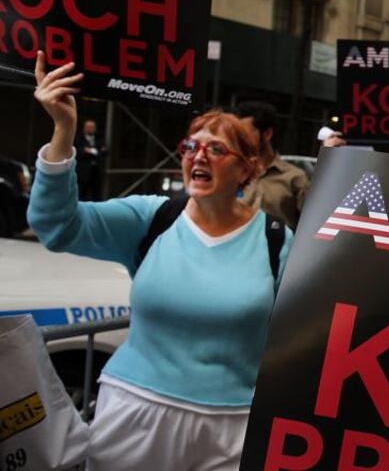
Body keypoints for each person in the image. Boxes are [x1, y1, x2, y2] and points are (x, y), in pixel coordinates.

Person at [27, 52, 293, 470]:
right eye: (191, 146)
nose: (198, 156)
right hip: (135, 413)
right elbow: (55, 224)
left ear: (248, 170)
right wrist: (64, 130)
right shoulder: (152, 217)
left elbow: (320, 318)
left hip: (233, 427)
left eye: (216, 149)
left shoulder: (276, 241)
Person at [233, 101, 309, 230]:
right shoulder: (232, 174)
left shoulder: (295, 179)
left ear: (267, 134)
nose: (240, 140)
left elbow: (311, 227)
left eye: (245, 134)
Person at [74, 118, 105, 201]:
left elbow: (105, 150)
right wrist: (87, 151)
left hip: (96, 170)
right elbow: (77, 151)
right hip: (83, 171)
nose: (90, 129)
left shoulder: (99, 138)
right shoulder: (78, 138)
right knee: (81, 193)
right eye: (88, 127)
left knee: (97, 193)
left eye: (92, 127)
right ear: (84, 128)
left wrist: (91, 151)